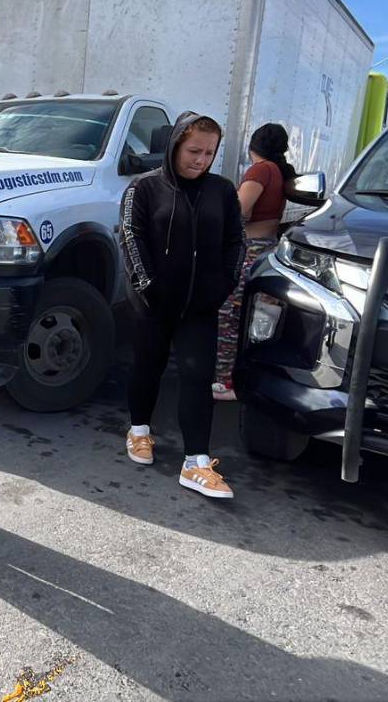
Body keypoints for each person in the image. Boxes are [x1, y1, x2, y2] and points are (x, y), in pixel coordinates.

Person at [119, 112, 244, 499]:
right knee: (148, 366)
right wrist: (149, 287)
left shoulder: (222, 191)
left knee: (197, 375)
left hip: (200, 307)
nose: (201, 160)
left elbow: (235, 242)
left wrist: (222, 286)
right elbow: (131, 236)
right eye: (193, 151)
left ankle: (197, 463)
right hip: (153, 304)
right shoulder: (144, 188)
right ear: (175, 146)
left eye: (209, 153)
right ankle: (139, 430)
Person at [213, 123, 296, 401]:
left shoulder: (260, 170)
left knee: (228, 316)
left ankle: (226, 382)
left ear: (252, 146)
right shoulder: (278, 171)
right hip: (267, 248)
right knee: (253, 320)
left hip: (249, 250)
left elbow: (238, 210)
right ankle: (246, 377)